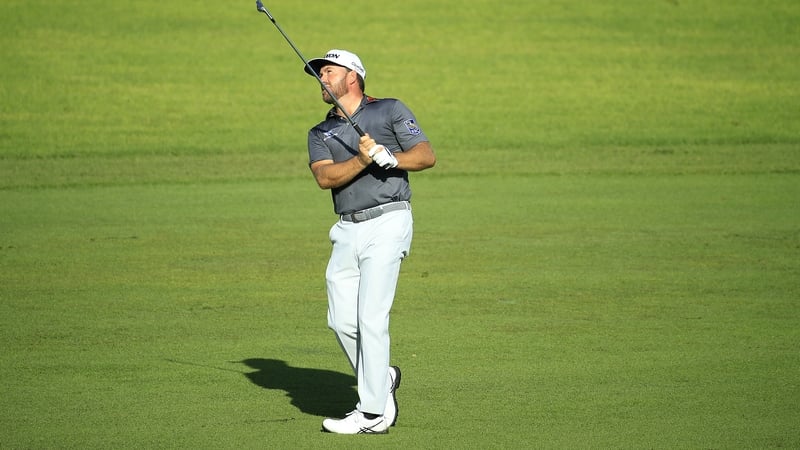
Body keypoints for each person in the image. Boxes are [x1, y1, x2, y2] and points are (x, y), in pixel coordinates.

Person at [304, 49, 436, 434]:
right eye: (319, 74)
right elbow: (325, 178)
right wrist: (363, 160)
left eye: (329, 72)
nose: (322, 79)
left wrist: (390, 158)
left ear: (353, 76)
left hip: (389, 220)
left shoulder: (390, 110)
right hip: (346, 228)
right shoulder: (319, 132)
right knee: (341, 320)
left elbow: (426, 156)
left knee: (371, 316)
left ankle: (373, 412)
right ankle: (382, 377)